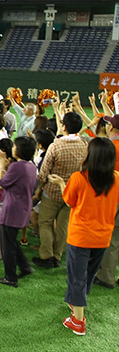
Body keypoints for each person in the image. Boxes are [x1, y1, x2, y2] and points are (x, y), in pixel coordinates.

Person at [47, 138, 119, 336]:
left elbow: (70, 202)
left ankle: (78, 321)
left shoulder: (79, 178)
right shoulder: (116, 178)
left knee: (76, 277)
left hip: (81, 237)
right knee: (88, 274)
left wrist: (62, 183)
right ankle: (76, 304)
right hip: (103, 237)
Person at [33, 112, 87, 268]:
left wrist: (39, 190)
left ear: (64, 126)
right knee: (63, 226)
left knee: (45, 222)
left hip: (53, 192)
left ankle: (47, 256)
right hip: (73, 192)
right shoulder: (83, 145)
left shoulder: (56, 145)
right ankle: (57, 255)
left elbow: (43, 173)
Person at [0, 136, 38, 287]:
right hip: (23, 208)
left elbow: (1, 183)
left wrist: (1, 166)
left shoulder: (17, 167)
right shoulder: (31, 165)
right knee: (12, 241)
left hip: (11, 209)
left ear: (19, 150)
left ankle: (10, 277)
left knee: (7, 245)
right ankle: (25, 266)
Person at [94, 114, 119, 289]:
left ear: (112, 128)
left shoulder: (111, 148)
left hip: (113, 198)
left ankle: (106, 277)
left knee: (112, 240)